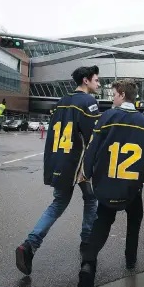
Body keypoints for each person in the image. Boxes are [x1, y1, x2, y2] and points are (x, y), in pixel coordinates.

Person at [15, 66, 101, 276]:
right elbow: (94, 136)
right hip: (78, 163)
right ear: (85, 80)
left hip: (59, 160)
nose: (98, 84)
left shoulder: (60, 102)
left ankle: (30, 244)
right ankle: (87, 241)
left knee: (58, 203)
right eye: (96, 80)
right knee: (91, 199)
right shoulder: (88, 102)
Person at [77, 79, 144, 287]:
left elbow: (92, 148)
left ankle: (89, 262)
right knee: (135, 219)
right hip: (132, 186)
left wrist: (89, 173)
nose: (113, 98)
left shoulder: (107, 117)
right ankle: (130, 261)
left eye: (114, 94)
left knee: (102, 222)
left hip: (108, 183)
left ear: (122, 94)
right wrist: (143, 179)